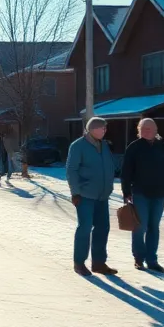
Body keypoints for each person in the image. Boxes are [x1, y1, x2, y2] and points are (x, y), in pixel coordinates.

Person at [120, 118, 164, 273]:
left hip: (160, 192)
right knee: (139, 226)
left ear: (156, 130)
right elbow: (126, 171)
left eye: (149, 128)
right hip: (141, 192)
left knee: (154, 227)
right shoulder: (134, 147)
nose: (146, 131)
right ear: (139, 131)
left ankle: (152, 260)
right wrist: (126, 191)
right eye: (143, 128)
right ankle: (139, 258)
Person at [66, 117, 119, 276]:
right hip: (85, 195)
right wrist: (75, 192)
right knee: (85, 227)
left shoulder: (104, 145)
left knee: (103, 228)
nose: (104, 131)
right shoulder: (78, 146)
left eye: (105, 128)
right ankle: (79, 262)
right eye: (102, 128)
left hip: (102, 195)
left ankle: (98, 263)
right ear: (92, 129)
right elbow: (71, 170)